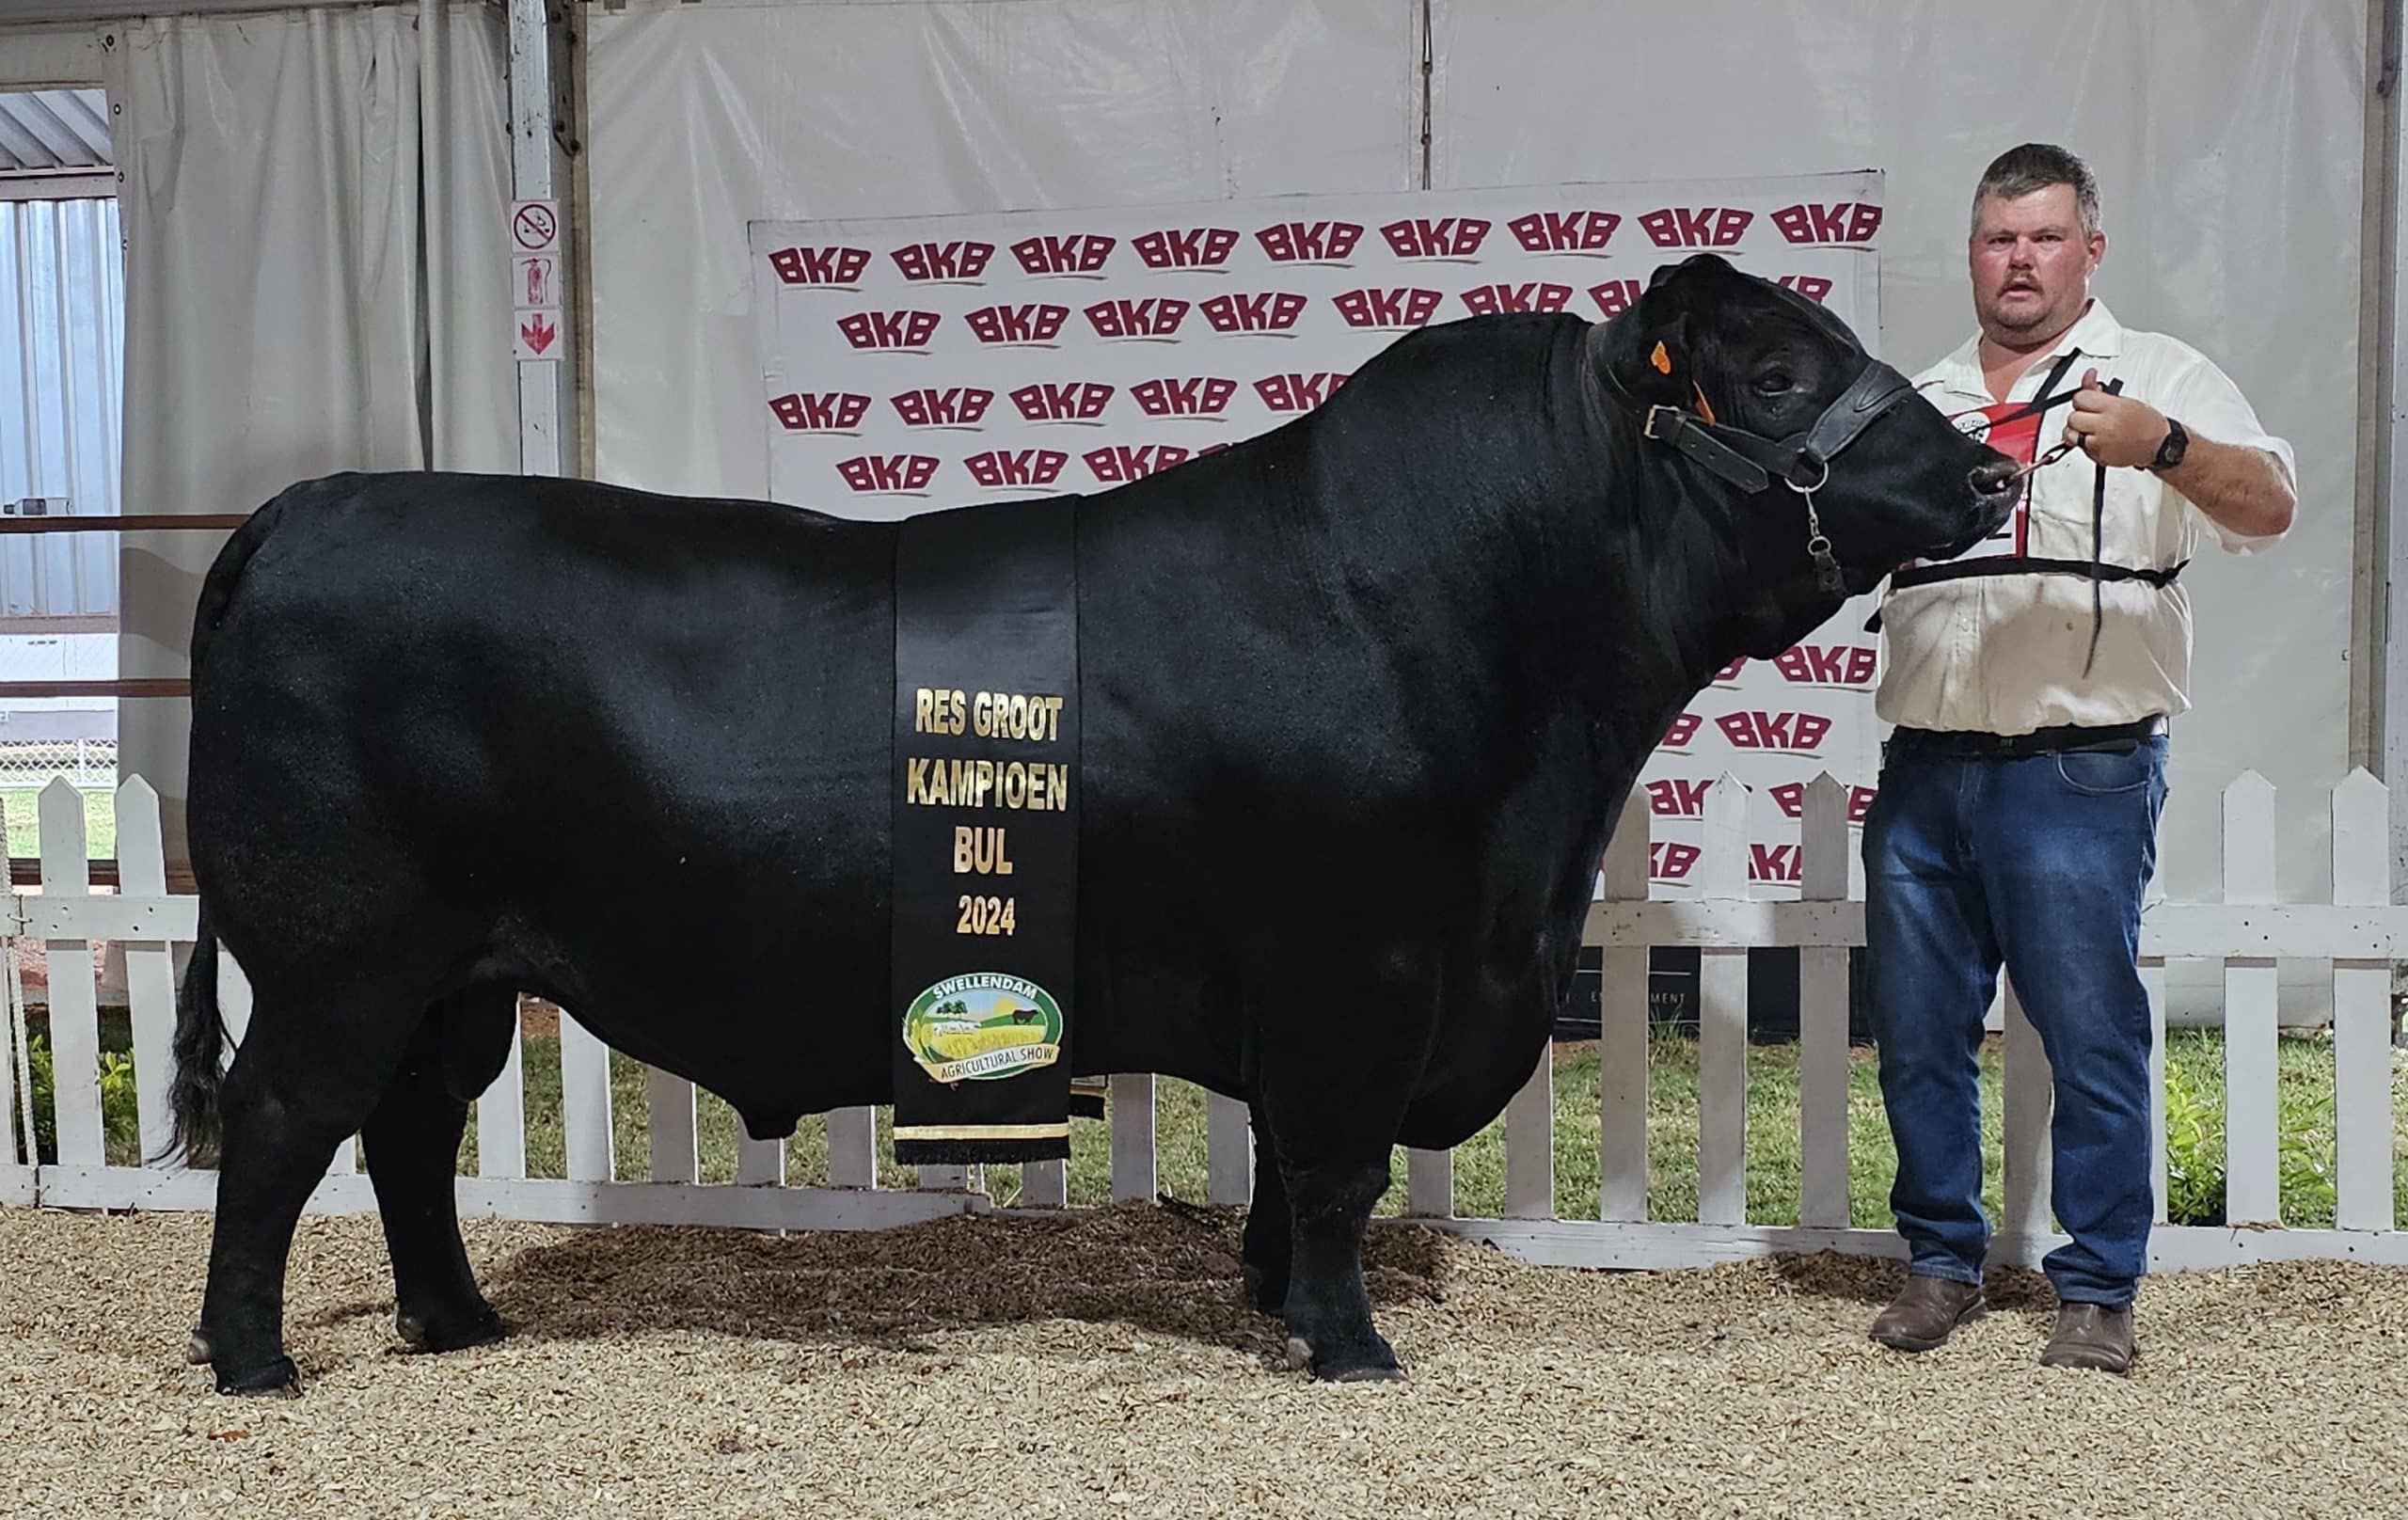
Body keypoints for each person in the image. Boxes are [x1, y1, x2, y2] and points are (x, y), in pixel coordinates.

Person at [1861, 143, 2296, 1374]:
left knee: (2092, 1036)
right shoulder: (1922, 398)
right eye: (2000, 238)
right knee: (1915, 1034)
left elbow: (2269, 507)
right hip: (1923, 768)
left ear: (2089, 249)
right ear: (1973, 251)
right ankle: (1941, 1266)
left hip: (2079, 771)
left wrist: (2164, 448)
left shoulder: (2155, 376)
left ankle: (2098, 1289)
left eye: (2045, 237)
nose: (2020, 260)